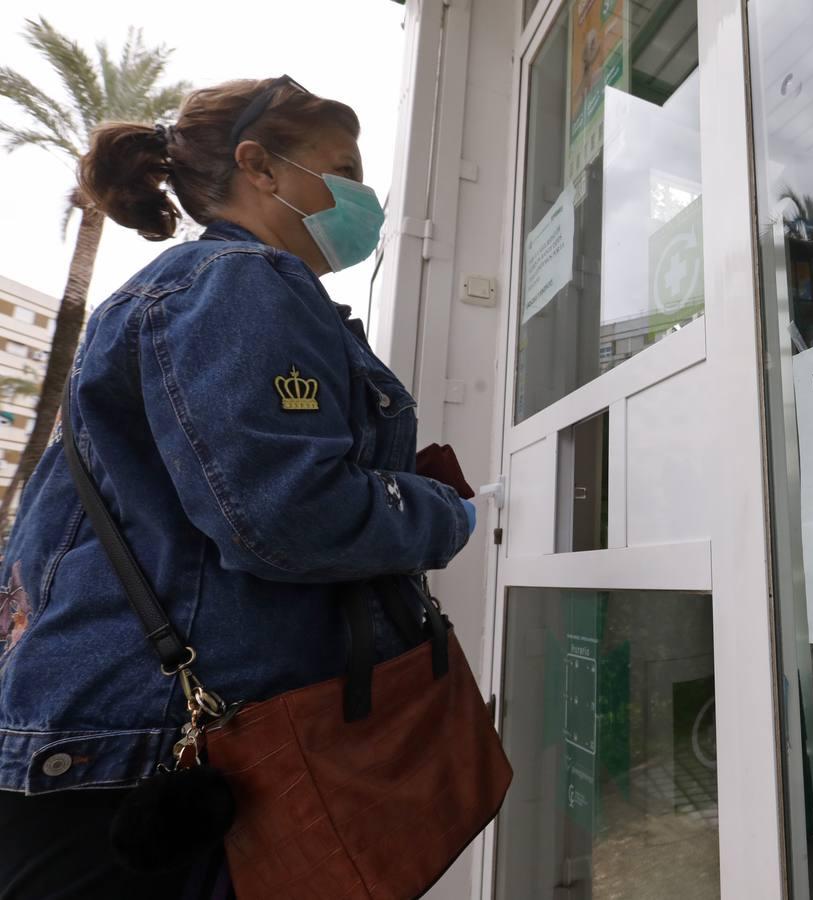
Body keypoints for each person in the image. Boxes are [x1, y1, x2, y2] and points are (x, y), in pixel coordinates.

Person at [0, 76, 477, 898]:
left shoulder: (205, 288)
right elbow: (288, 517)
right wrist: (446, 514)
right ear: (259, 165)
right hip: (153, 760)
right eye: (342, 167)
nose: (361, 194)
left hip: (119, 741)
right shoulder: (238, 282)